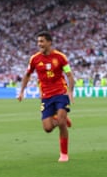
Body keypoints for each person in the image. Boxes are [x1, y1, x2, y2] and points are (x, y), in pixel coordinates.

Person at [17, 31, 75, 162]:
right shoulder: (35, 59)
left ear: (49, 42)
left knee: (61, 123)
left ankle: (64, 154)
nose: (39, 44)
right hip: (46, 96)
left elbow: (70, 75)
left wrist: (70, 91)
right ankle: (62, 118)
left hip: (61, 92)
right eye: (38, 42)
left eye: (42, 41)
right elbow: (27, 75)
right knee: (48, 128)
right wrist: (22, 91)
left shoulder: (60, 57)